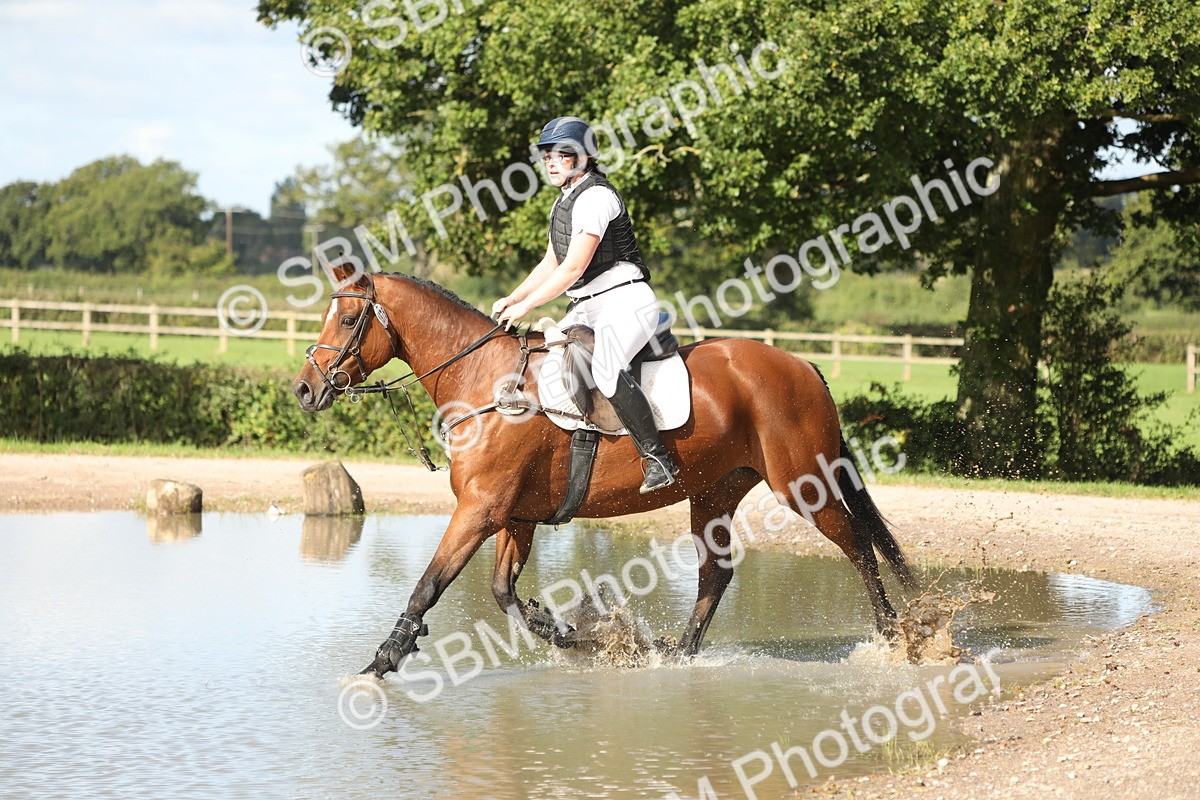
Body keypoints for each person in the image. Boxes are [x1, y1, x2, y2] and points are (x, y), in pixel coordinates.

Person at [493, 116, 680, 493]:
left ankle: (659, 458)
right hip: (586, 306)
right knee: (542, 359)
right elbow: (550, 264)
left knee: (608, 369)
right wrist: (513, 297)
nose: (551, 161)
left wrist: (526, 307)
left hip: (625, 300)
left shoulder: (596, 197)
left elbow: (574, 266)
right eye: (547, 154)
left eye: (562, 153)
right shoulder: (563, 201)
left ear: (585, 157)